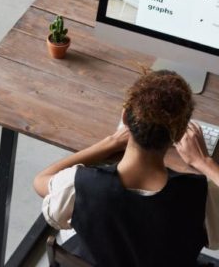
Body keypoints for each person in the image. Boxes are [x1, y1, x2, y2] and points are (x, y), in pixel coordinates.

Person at [34, 70, 219, 266]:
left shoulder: (78, 186)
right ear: (180, 133)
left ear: (124, 117)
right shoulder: (202, 197)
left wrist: (109, 142)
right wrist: (204, 162)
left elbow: (40, 181)